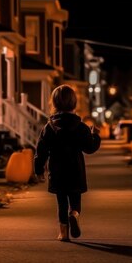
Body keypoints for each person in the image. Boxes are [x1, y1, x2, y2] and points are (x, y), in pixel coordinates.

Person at [34, 85, 101, 241]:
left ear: (55, 103)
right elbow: (89, 148)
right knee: (75, 198)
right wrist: (95, 136)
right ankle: (75, 214)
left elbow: (41, 150)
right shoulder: (81, 127)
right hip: (75, 170)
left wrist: (38, 170)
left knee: (61, 201)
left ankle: (63, 233)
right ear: (74, 103)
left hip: (57, 171)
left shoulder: (49, 127)